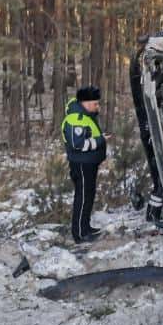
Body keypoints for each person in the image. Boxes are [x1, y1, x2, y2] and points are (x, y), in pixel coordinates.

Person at [61, 86, 107, 243]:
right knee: (82, 197)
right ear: (86, 103)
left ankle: (85, 227)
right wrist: (101, 140)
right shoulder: (76, 119)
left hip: (89, 163)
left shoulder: (85, 115)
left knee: (88, 196)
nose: (97, 107)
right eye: (95, 104)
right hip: (81, 164)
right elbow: (78, 144)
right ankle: (80, 234)